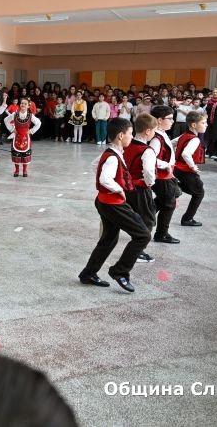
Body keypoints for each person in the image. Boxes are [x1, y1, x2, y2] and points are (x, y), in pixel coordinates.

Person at [78, 117, 151, 293]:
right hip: (112, 203)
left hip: (105, 201)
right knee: (143, 235)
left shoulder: (112, 152)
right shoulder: (113, 157)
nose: (132, 137)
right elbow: (105, 178)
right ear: (120, 135)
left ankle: (88, 273)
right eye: (130, 134)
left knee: (109, 239)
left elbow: (96, 165)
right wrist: (119, 189)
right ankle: (120, 271)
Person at [124, 113, 159, 264]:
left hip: (126, 187)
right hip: (140, 188)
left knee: (135, 217)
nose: (155, 134)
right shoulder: (147, 150)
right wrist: (150, 183)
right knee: (148, 220)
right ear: (148, 131)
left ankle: (136, 249)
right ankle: (138, 251)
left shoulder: (126, 145)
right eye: (154, 131)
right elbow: (149, 171)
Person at [148, 105, 181, 245]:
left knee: (166, 200)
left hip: (166, 175)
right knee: (169, 204)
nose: (172, 121)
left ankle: (147, 216)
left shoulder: (161, 134)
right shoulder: (156, 139)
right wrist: (166, 165)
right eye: (170, 118)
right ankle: (161, 233)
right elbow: (150, 158)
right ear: (159, 120)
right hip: (161, 176)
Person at [174, 111, 208, 227]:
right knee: (199, 193)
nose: (206, 125)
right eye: (203, 123)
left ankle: (176, 186)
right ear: (194, 125)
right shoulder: (195, 139)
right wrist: (193, 166)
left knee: (196, 189)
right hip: (185, 170)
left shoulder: (184, 135)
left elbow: (171, 143)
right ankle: (187, 219)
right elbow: (186, 154)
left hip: (177, 169)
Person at [3, 101, 41, 177]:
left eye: (25, 104)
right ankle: (17, 170)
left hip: (26, 138)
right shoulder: (15, 114)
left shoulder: (30, 115)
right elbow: (6, 120)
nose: (23, 104)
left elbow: (38, 123)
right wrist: (12, 129)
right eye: (22, 103)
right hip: (17, 137)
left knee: (25, 155)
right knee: (16, 154)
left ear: (28, 106)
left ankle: (25, 170)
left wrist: (31, 131)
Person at [204, 87, 217, 158]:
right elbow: (207, 111)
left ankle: (216, 152)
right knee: (209, 136)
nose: (215, 93)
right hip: (210, 121)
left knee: (216, 137)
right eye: (214, 92)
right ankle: (209, 151)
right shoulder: (210, 101)